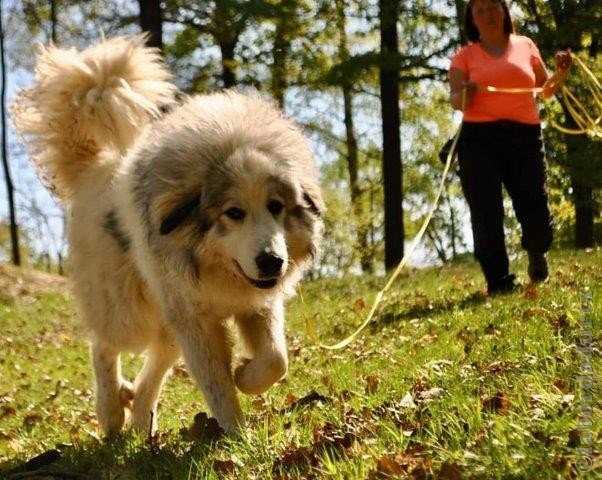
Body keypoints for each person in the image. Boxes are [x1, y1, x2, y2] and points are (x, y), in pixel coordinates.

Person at [448, 0, 572, 294]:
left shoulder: (526, 46)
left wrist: (561, 73)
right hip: (479, 141)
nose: (488, 14)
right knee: (485, 211)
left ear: (504, 11)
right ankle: (499, 280)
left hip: (525, 138)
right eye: (480, 10)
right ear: (472, 20)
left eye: (493, 7)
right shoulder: (464, 57)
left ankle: (537, 250)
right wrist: (467, 92)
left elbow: (545, 91)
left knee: (535, 205)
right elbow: (455, 100)